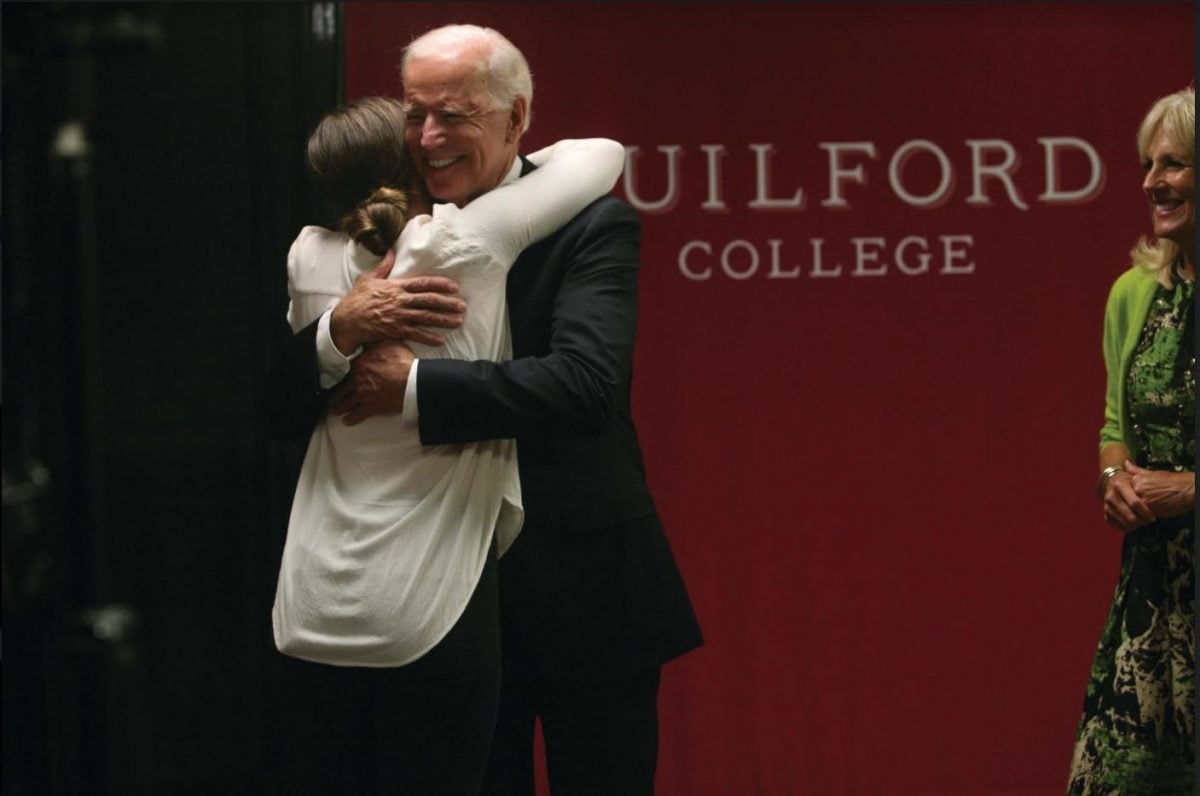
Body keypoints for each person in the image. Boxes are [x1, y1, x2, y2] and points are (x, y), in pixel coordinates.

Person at [261, 24, 703, 795]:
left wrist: (413, 387)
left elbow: (586, 387)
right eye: (415, 113)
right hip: (438, 607)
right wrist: (339, 332)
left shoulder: (589, 222)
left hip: (581, 590)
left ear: (517, 118)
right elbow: (274, 406)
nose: (429, 137)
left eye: (455, 115)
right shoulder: (356, 236)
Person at [1067, 86, 1195, 795]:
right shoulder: (1132, 294)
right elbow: (1115, 428)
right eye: (1149, 165)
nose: (1152, 182)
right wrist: (1114, 480)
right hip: (1151, 605)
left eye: (1174, 164)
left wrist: (1190, 490)